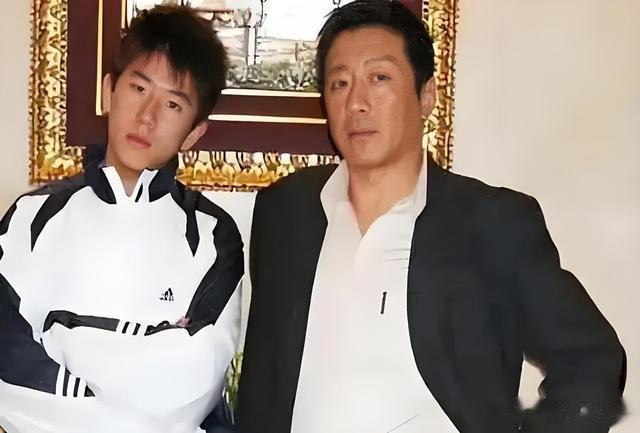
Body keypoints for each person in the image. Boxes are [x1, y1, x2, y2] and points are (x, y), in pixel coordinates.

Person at [236, 1, 626, 432]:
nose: (356, 103)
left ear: (426, 96)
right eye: (340, 83)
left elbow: (592, 361)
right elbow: (263, 377)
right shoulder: (286, 210)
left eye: (379, 78)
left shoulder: (494, 223)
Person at [0, 5, 242, 433]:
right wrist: (146, 345)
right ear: (109, 92)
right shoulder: (30, 218)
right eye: (138, 88)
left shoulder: (212, 235)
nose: (147, 116)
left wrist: (62, 332)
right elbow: (8, 374)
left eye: (172, 103)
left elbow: (191, 388)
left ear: (194, 132)